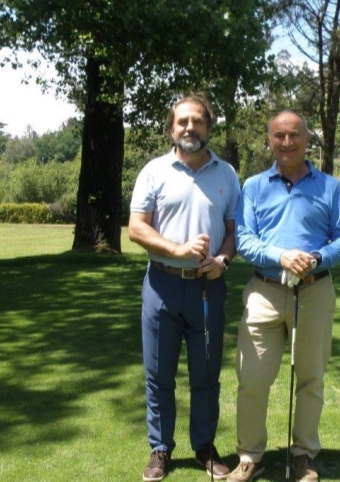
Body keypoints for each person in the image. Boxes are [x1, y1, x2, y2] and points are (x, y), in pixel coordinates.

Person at [227, 111, 340, 482]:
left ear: (306, 139)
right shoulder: (253, 186)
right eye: (279, 136)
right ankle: (250, 457)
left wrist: (317, 257)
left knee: (311, 378)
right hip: (265, 291)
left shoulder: (330, 187)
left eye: (294, 135)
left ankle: (303, 455)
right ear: (269, 140)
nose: (287, 142)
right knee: (251, 377)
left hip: (315, 291)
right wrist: (280, 255)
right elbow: (245, 240)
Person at [128, 95, 240, 482]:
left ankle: (205, 447)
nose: (190, 128)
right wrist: (177, 249)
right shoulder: (154, 171)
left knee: (206, 375)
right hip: (161, 286)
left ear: (209, 127)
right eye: (182, 122)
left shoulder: (227, 173)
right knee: (158, 374)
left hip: (209, 289)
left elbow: (232, 232)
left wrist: (222, 261)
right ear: (171, 128)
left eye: (198, 121)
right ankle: (160, 449)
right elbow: (136, 227)